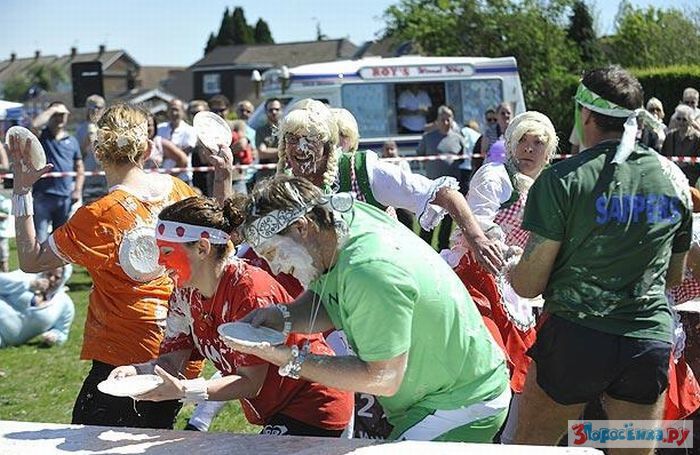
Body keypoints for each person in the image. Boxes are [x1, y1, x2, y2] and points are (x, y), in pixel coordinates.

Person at [222, 175, 510, 442]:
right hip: (448, 390)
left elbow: (382, 378)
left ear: (301, 227)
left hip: (462, 402)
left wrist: (286, 358)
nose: (275, 267)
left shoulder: (367, 270)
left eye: (273, 252)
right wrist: (282, 317)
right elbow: (332, 299)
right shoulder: (338, 221)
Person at [7, 103, 233, 428]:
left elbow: (31, 260)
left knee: (89, 443)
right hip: (179, 353)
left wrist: (22, 190)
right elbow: (219, 242)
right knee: (150, 442)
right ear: (147, 148)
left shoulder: (97, 216)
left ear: (97, 152)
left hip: (122, 359)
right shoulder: (178, 191)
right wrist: (223, 178)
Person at [510, 66, 692, 453]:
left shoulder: (562, 179)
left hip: (576, 340)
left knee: (532, 448)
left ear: (585, 115)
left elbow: (528, 285)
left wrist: (512, 268)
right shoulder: (673, 180)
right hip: (645, 341)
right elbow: (673, 277)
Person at [108, 196, 353, 436]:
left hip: (315, 398)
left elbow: (250, 382)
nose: (160, 262)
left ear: (202, 248)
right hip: (278, 405)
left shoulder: (248, 290)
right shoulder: (184, 294)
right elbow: (171, 362)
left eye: (167, 251)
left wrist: (184, 389)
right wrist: (138, 371)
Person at [275, 99, 504, 275]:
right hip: (327, 294)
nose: (300, 148)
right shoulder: (285, 188)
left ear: (327, 143)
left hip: (386, 281)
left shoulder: (362, 170)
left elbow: (445, 193)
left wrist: (477, 238)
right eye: (292, 139)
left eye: (310, 139)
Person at [442, 111, 558, 444]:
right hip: (477, 277)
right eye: (522, 140)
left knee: (523, 367)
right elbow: (479, 223)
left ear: (548, 152)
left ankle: (508, 442)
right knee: (487, 360)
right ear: (510, 144)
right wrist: (512, 255)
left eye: (538, 143)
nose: (529, 149)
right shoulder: (495, 175)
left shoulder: (545, 186)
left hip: (515, 288)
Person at [31, 102, 85, 242]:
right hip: (43, 195)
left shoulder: (72, 140)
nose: (60, 118)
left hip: (65, 197)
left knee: (60, 241)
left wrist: (77, 190)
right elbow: (34, 125)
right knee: (41, 238)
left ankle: (58, 259)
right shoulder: (42, 136)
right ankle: (41, 258)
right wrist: (52, 110)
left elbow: (79, 167)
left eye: (63, 115)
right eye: (56, 115)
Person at [416, 105, 465, 251]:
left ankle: (442, 247)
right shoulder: (428, 138)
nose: (445, 122)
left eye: (448, 119)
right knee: (428, 218)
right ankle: (424, 247)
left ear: (452, 120)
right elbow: (420, 155)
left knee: (448, 221)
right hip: (432, 187)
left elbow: (463, 159)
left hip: (451, 188)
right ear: (437, 120)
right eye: (442, 119)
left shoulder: (458, 139)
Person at [0, 265, 73, 348]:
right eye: (49, 274)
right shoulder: (26, 276)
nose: (51, 279)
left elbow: (62, 331)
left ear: (63, 279)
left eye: (57, 277)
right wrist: (30, 284)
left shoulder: (64, 303)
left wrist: (54, 336)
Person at [157, 99, 198, 185]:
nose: (174, 113)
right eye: (171, 109)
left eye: (176, 110)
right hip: (161, 179)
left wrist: (170, 176)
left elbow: (183, 157)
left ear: (183, 111)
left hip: (183, 178)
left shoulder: (190, 130)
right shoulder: (159, 128)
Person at [77, 95, 108, 204]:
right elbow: (78, 157)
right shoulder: (81, 129)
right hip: (88, 180)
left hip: (107, 178)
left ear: (104, 109)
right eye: (91, 108)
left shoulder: (109, 128)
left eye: (98, 107)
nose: (95, 111)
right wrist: (86, 144)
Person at [662, 104, 700, 186]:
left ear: (690, 121)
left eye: (684, 120)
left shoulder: (697, 138)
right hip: (672, 177)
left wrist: (687, 163)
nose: (681, 122)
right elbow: (663, 156)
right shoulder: (670, 136)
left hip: (690, 179)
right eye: (678, 119)